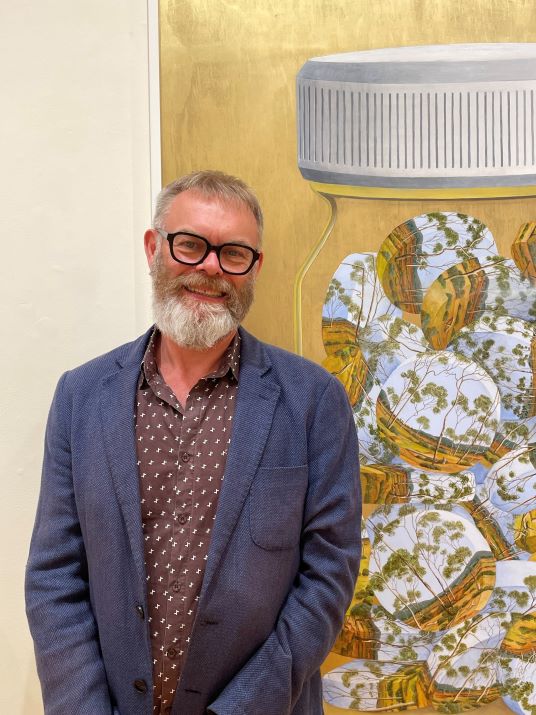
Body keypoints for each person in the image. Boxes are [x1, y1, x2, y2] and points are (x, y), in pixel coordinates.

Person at [25, 170, 361, 715]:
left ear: (255, 267)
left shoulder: (314, 401)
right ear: (153, 247)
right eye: (190, 245)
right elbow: (54, 578)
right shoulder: (80, 398)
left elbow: (328, 575)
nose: (210, 267)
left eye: (234, 253)